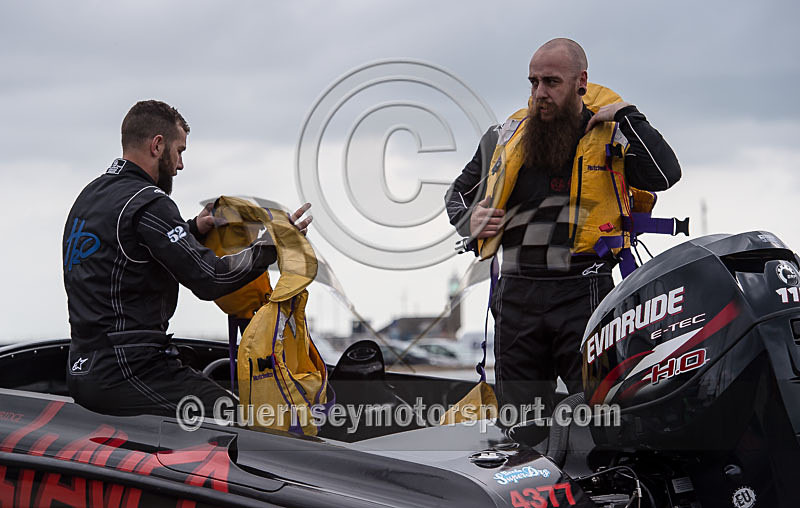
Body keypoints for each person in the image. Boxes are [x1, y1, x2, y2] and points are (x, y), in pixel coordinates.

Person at [445, 39, 681, 424]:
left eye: (551, 82)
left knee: (599, 419)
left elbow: (666, 173)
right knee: (520, 425)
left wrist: (628, 115)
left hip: (584, 293)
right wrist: (467, 222)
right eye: (534, 82)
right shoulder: (505, 136)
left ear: (581, 81)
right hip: (517, 294)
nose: (540, 93)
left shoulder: (612, 133)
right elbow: (457, 193)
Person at [62, 100, 312, 417]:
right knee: (244, 421)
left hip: (82, 369)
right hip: (130, 370)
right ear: (157, 145)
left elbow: (132, 249)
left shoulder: (89, 197)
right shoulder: (148, 202)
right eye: (180, 151)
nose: (180, 165)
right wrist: (273, 244)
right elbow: (211, 278)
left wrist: (193, 228)